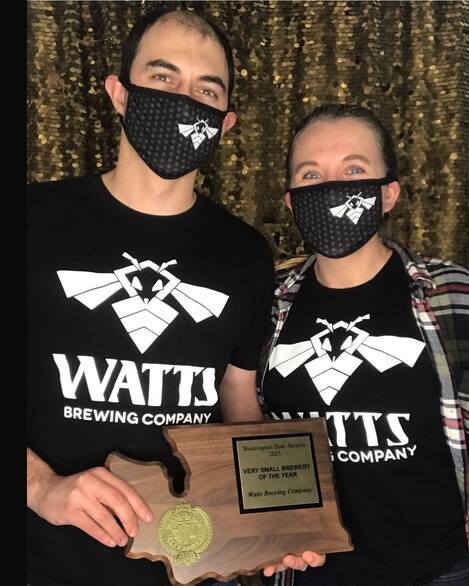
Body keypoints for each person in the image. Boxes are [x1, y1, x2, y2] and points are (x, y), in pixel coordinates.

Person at [27, 9, 276, 586]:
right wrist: (41, 487)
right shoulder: (31, 218)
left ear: (225, 122)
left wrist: (276, 517)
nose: (184, 99)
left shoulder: (245, 254)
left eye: (206, 90)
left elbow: (238, 403)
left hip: (187, 566)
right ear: (119, 93)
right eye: (163, 77)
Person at [259, 104, 469, 585]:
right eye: (311, 174)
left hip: (441, 571)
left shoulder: (454, 294)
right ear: (291, 200)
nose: (331, 186)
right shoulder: (265, 304)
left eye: (353, 169)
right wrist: (267, 529)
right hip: (307, 572)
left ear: (389, 193)